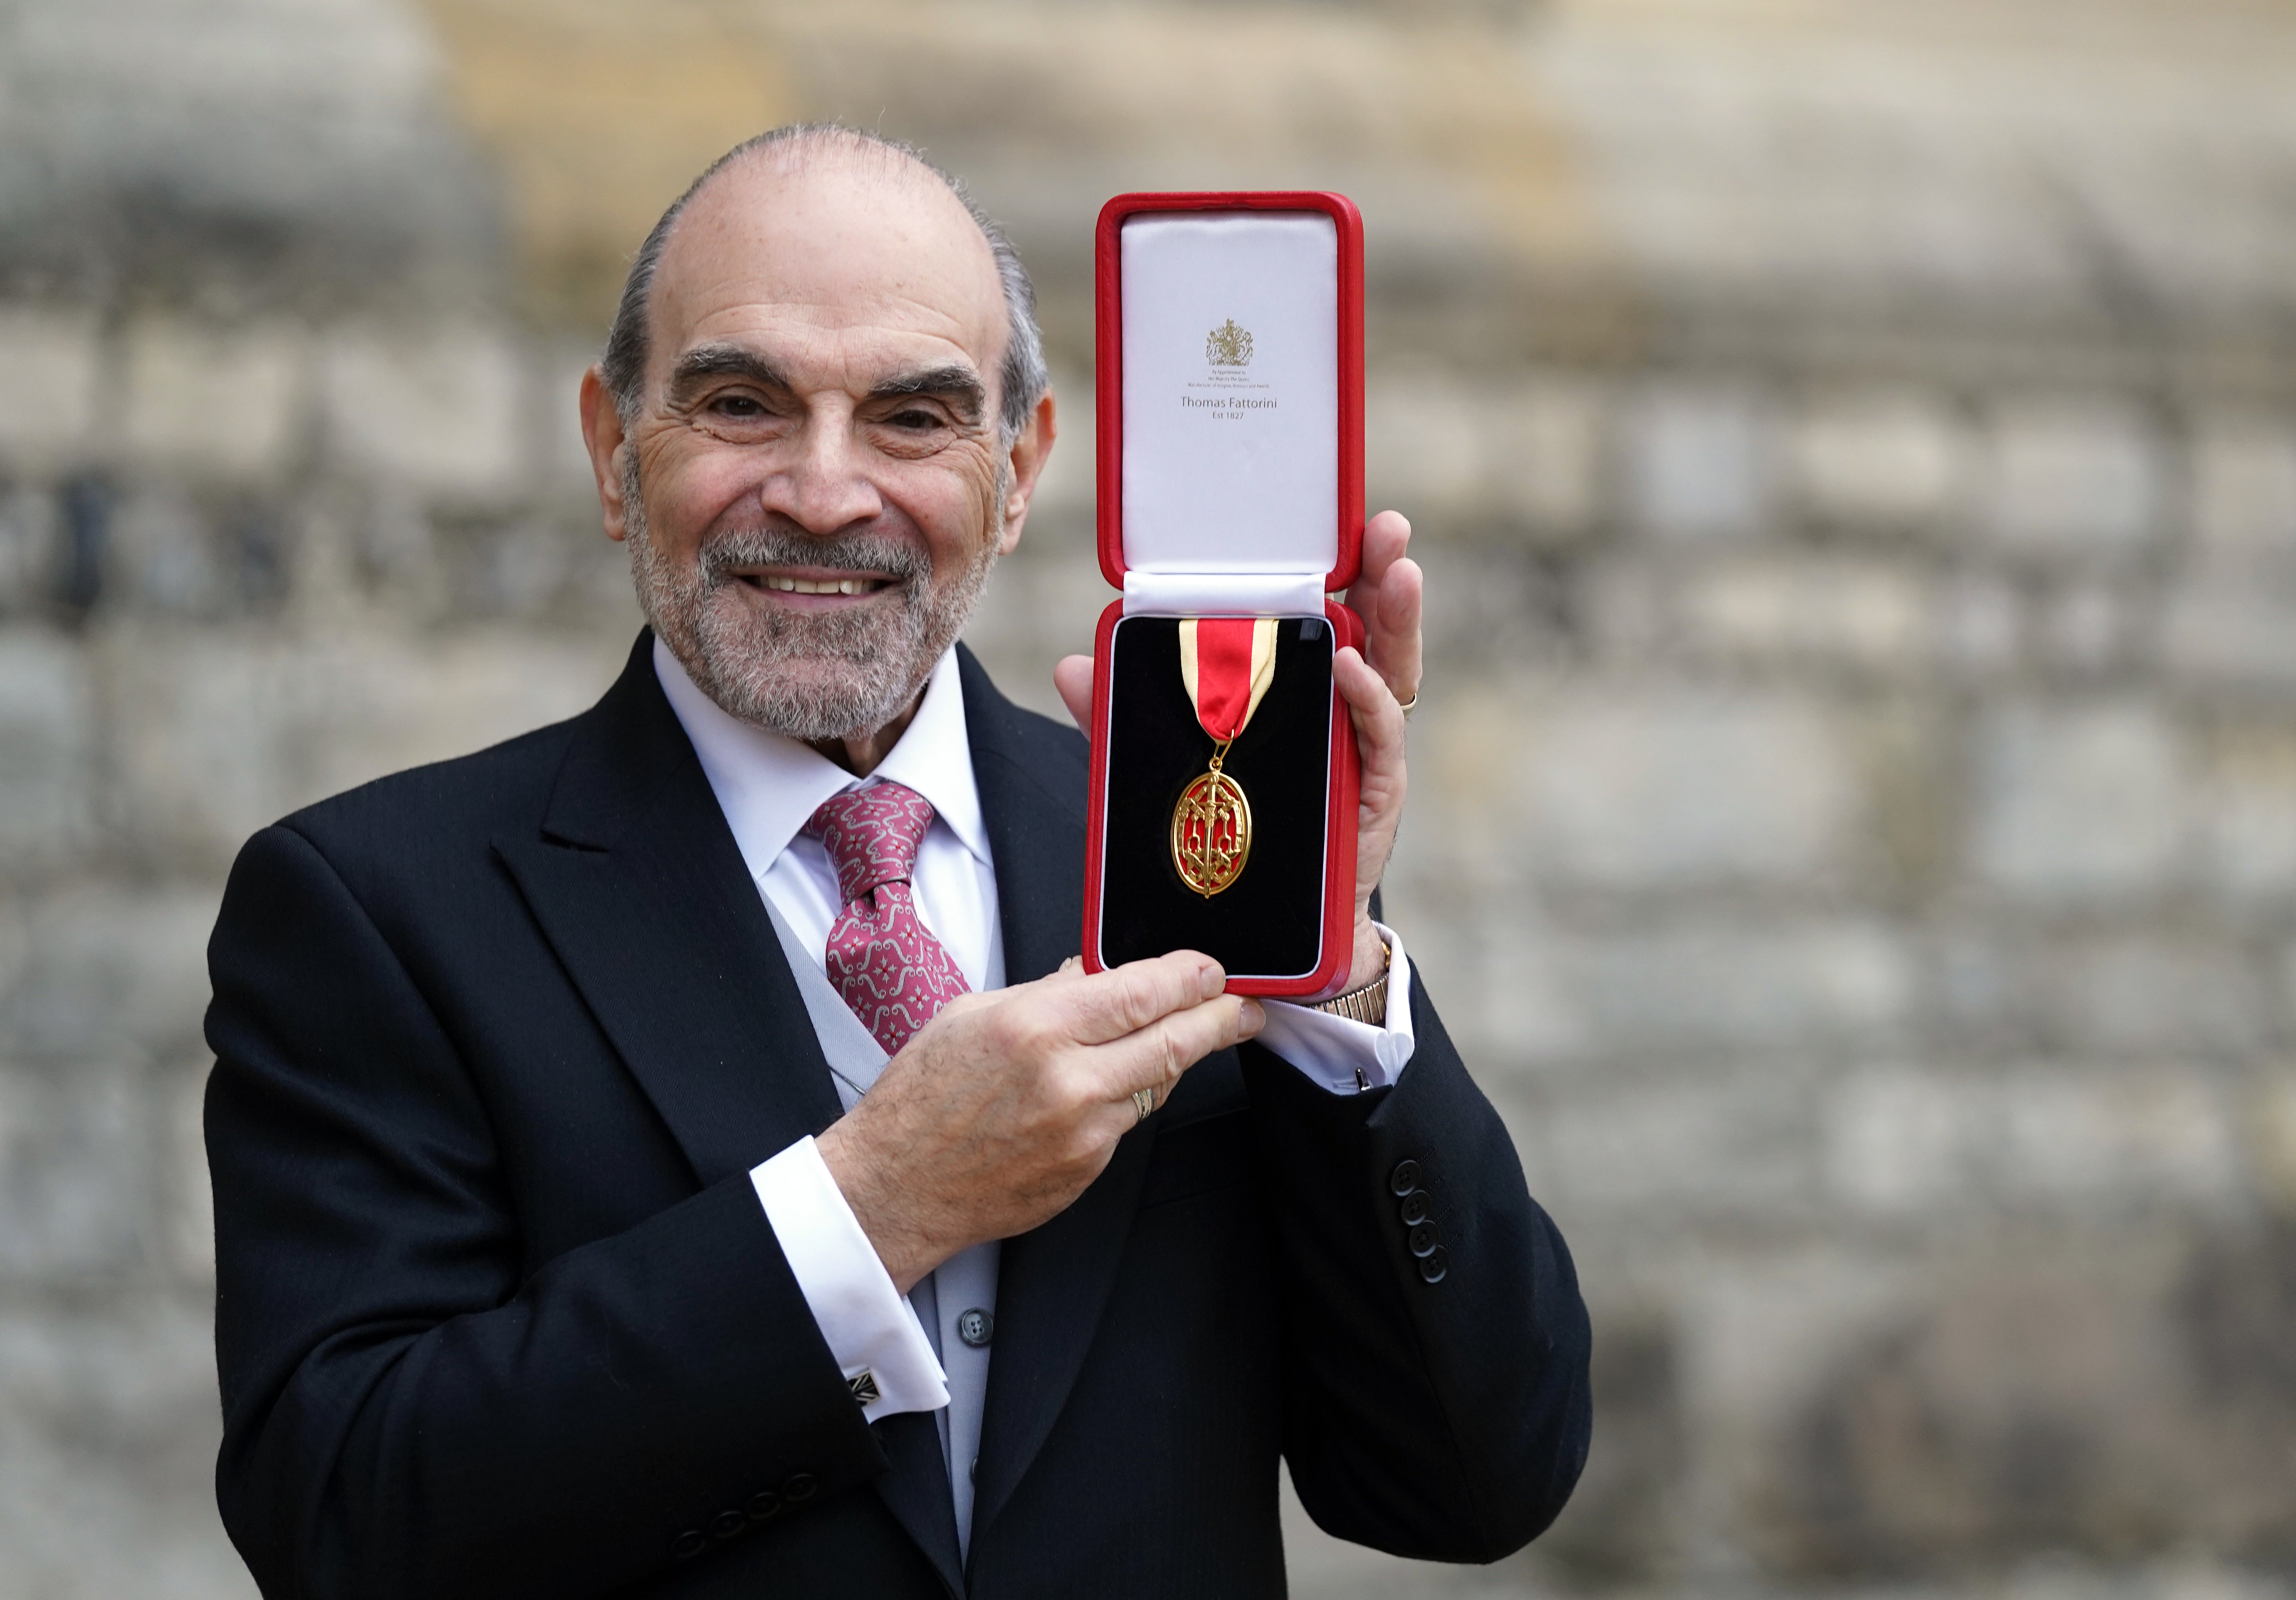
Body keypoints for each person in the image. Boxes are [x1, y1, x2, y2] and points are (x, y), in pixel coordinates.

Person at [204, 124, 1590, 1600]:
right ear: (616, 453)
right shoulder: (376, 907)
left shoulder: (1189, 861)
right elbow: (343, 1513)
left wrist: (1335, 963)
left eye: (912, 419)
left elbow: (1472, 1485)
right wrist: (872, 1206)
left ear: (1019, 468)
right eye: (741, 404)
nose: (821, 490)